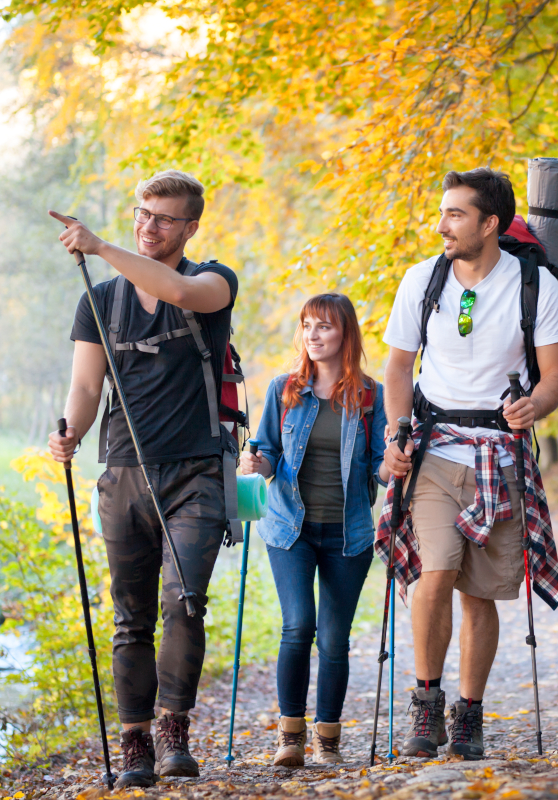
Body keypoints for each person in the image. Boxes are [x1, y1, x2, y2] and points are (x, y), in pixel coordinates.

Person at [47, 170, 239, 788]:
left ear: (190, 226)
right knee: (130, 615)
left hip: (197, 473)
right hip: (124, 471)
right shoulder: (98, 302)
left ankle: (173, 727)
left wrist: (102, 245)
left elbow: (182, 294)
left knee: (185, 603)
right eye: (141, 213)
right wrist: (70, 431)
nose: (148, 226)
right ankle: (134, 743)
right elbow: (85, 386)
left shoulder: (214, 281)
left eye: (162, 218)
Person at [380, 168, 558, 761]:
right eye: (443, 214)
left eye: (456, 215)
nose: (442, 226)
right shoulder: (421, 279)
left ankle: (468, 715)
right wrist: (396, 432)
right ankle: (426, 704)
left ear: (489, 224)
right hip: (435, 448)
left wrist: (533, 406)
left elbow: (556, 378)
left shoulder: (535, 287)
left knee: (480, 593)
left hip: (500, 453)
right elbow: (396, 367)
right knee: (434, 572)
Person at [242, 293, 387, 767]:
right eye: (307, 326)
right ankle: (290, 736)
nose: (313, 335)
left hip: (350, 533)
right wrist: (254, 461)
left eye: (323, 326)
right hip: (290, 529)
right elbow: (265, 454)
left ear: (345, 333)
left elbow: (383, 467)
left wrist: (396, 465)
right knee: (298, 625)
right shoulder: (285, 389)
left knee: (333, 639)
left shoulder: (371, 396)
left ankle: (327, 737)